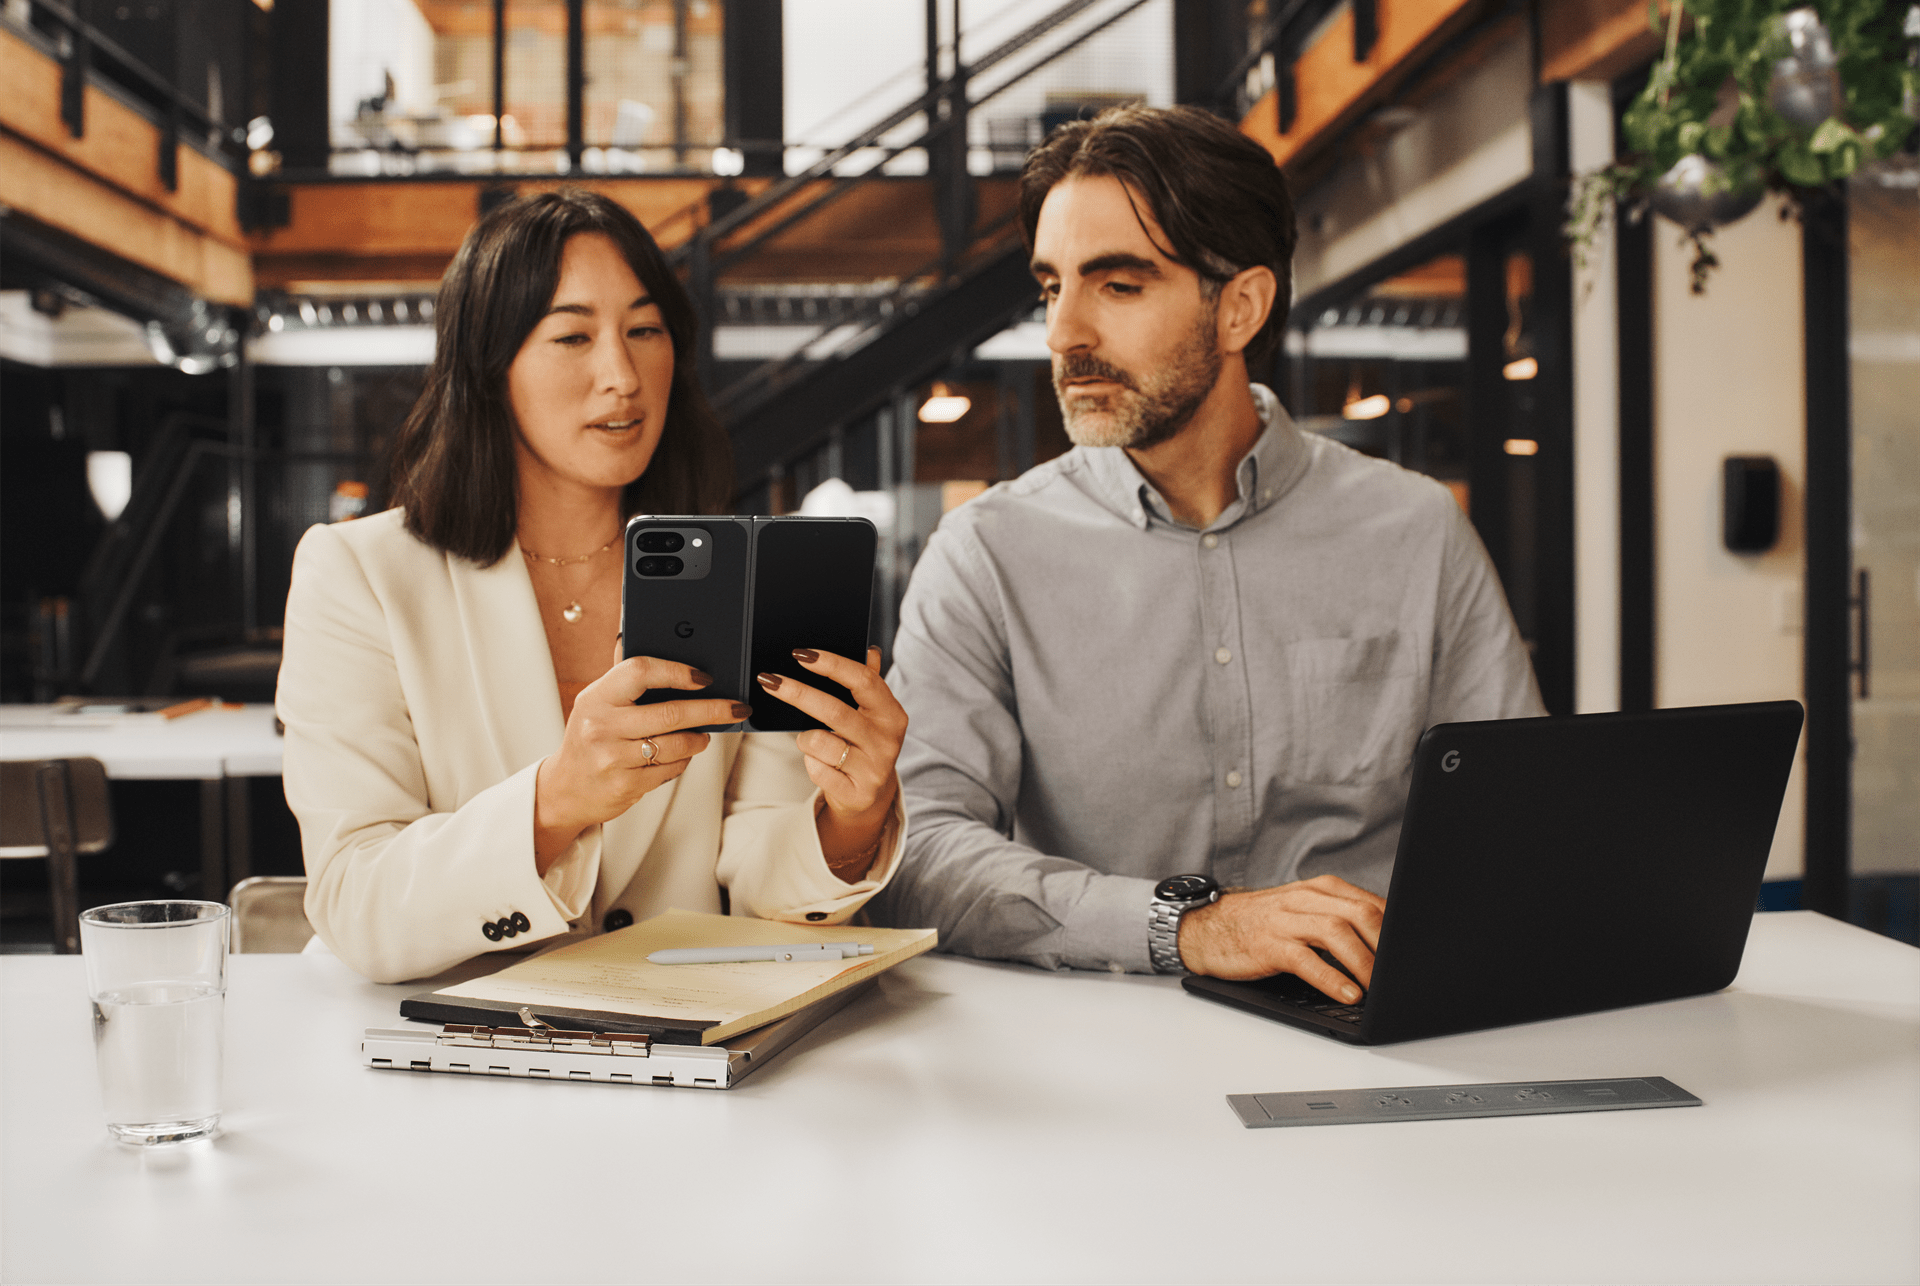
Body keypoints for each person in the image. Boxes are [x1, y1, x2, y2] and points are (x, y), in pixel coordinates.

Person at [873, 106, 1542, 1001]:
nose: (1065, 333)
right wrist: (1187, 929)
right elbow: (920, 854)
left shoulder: (1415, 531)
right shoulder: (986, 554)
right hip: (1105, 1047)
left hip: (1373, 1034)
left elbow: (1514, 824)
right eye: (1051, 287)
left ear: (1240, 307)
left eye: (1118, 286)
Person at [277, 189, 907, 983]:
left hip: (686, 1047)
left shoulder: (743, 574)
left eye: (646, 331)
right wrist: (554, 804)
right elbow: (354, 898)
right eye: (573, 335)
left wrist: (852, 815)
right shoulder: (361, 572)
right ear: (489, 364)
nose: (623, 374)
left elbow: (758, 879)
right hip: (440, 1052)